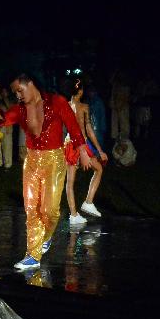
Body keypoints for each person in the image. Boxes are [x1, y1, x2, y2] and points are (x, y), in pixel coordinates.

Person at [0, 74, 90, 270]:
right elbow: (1, 121)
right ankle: (32, 256)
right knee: (32, 209)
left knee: (49, 210)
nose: (17, 95)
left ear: (31, 84)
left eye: (19, 90)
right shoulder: (20, 109)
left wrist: (83, 151)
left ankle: (47, 235)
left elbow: (73, 126)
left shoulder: (56, 102)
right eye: (14, 92)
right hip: (32, 160)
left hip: (53, 159)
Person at [64, 79, 109, 225]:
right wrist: (100, 150)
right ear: (81, 91)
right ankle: (76, 212)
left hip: (71, 144)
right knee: (97, 170)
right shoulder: (84, 107)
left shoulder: (65, 107)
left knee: (71, 181)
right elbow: (89, 130)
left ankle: (84, 206)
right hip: (78, 144)